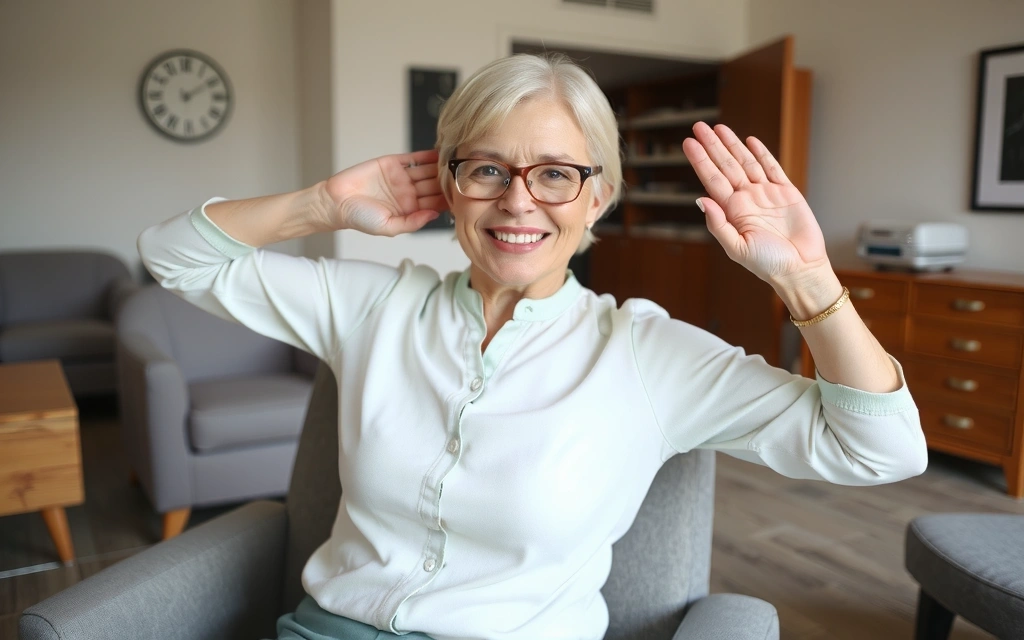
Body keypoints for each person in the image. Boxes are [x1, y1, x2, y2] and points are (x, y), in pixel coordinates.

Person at [137, 53, 927, 640]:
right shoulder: (374, 305)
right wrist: (322, 205)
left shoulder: (647, 354)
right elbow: (171, 254)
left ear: (599, 198)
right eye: (487, 168)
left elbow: (880, 451)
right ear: (450, 188)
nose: (518, 200)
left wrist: (808, 282)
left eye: (556, 174)